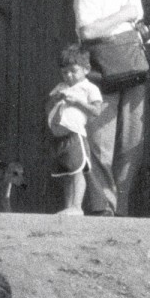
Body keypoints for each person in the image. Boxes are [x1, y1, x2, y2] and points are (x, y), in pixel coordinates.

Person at [74, 0, 149, 217]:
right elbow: (87, 32)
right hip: (102, 75)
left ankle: (122, 208)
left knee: (133, 145)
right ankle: (102, 208)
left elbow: (132, 31)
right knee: (100, 145)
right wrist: (123, 15)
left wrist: (144, 32)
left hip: (133, 72)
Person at [46, 44, 105, 216]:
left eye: (73, 71)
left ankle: (77, 206)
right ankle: (69, 206)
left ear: (86, 69)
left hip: (75, 134)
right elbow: (48, 106)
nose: (69, 76)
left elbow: (96, 111)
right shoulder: (61, 86)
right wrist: (54, 99)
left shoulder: (89, 88)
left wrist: (77, 102)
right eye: (65, 72)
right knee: (66, 173)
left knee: (77, 170)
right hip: (59, 136)